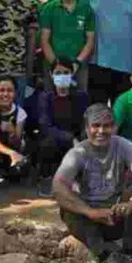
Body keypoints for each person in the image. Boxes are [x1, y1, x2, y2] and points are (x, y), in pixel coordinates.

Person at [53, 104, 132, 263]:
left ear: (114, 127)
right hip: (87, 221)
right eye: (96, 125)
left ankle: (129, 251)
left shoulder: (123, 145)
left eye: (106, 126)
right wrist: (91, 212)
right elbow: (58, 186)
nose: (101, 131)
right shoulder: (77, 153)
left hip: (116, 215)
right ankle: (101, 254)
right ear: (87, 128)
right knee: (66, 202)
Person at [35, 58, 89, 195]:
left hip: (77, 142)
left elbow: (86, 121)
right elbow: (45, 126)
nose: (62, 76)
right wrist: (70, 138)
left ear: (72, 74)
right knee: (47, 144)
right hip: (55, 141)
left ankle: (78, 180)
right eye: (58, 73)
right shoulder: (45, 97)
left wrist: (83, 140)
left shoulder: (81, 96)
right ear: (51, 74)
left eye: (66, 72)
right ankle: (46, 179)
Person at [39, 0, 95, 92]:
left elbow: (90, 41)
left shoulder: (87, 9)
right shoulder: (49, 8)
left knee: (79, 101)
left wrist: (77, 63)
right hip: (53, 65)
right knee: (51, 99)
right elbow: (44, 41)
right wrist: (56, 65)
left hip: (79, 65)